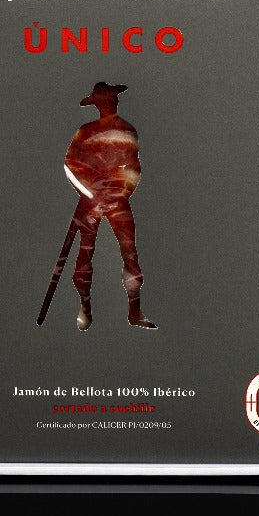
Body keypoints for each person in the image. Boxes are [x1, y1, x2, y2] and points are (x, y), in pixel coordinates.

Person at [61, 82, 155, 331]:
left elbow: (133, 168)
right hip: (91, 201)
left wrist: (118, 194)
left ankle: (134, 311)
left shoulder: (126, 131)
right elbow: (70, 165)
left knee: (130, 253)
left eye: (112, 98)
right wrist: (89, 193)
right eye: (106, 99)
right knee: (85, 255)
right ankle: (85, 307)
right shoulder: (85, 132)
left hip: (116, 200)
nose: (111, 102)